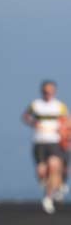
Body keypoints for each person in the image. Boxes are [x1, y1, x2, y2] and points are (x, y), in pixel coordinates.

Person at [22, 81, 69, 214]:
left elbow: (67, 121)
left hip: (55, 141)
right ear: (42, 91)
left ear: (54, 92)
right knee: (41, 171)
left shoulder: (60, 106)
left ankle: (48, 197)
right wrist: (33, 123)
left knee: (54, 166)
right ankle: (53, 186)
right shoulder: (36, 105)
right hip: (39, 141)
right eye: (46, 91)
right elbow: (25, 117)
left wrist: (65, 134)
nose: (48, 94)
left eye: (50, 91)